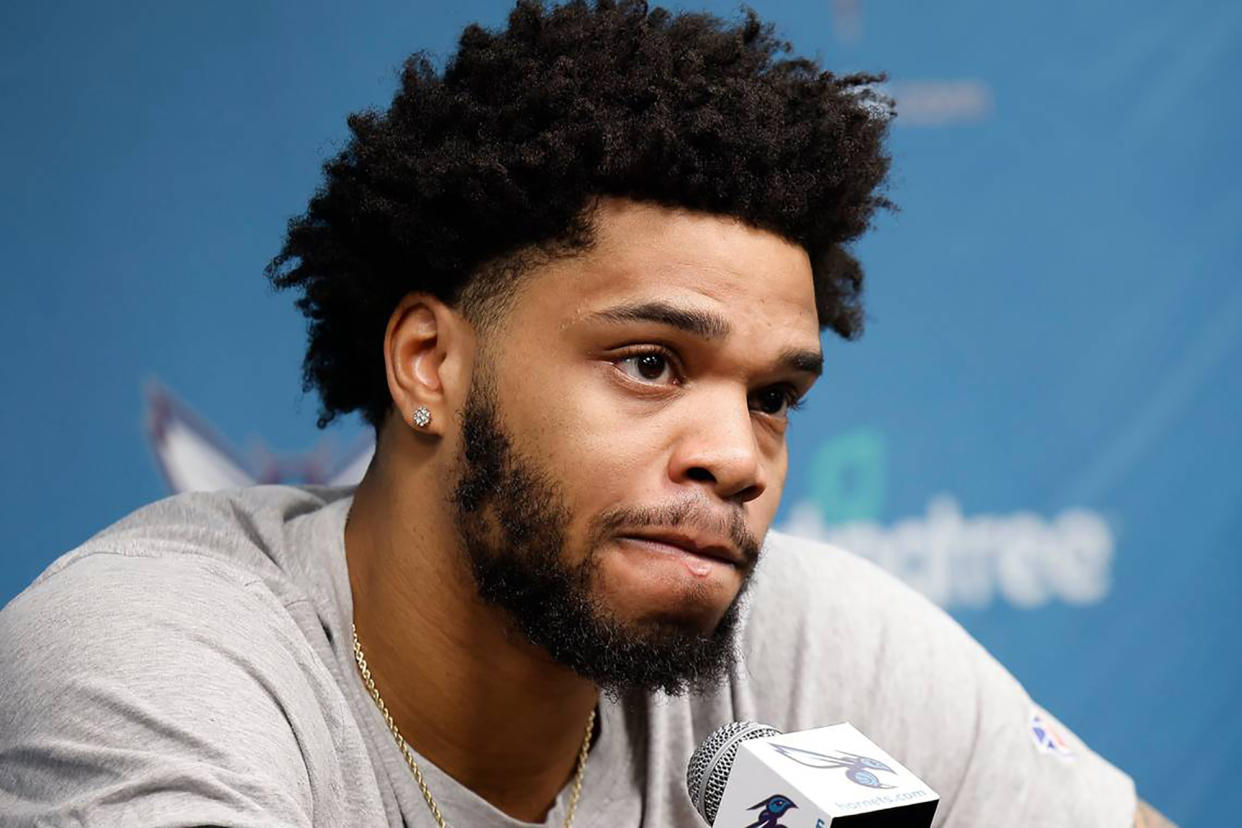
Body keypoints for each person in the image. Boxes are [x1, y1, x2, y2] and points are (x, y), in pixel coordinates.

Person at [0, 2, 1172, 826]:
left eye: (772, 399)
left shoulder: (806, 647)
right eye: (651, 364)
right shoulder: (162, 657)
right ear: (429, 364)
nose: (735, 459)